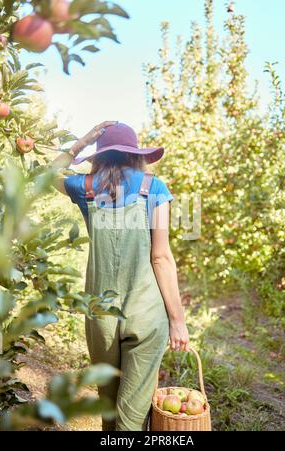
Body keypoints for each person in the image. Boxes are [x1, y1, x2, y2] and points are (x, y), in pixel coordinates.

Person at [52, 121, 190, 431]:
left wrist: (81, 142)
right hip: (146, 313)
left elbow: (46, 174)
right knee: (132, 418)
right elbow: (161, 256)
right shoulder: (153, 187)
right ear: (136, 155)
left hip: (101, 316)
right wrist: (178, 320)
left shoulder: (85, 187)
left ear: (100, 156)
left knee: (110, 412)